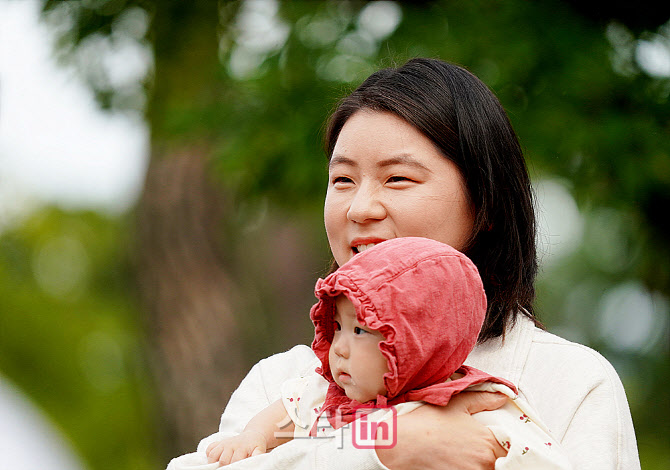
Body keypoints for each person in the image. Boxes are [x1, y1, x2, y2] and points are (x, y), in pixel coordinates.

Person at [170, 58, 640, 469]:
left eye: (397, 178)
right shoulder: (284, 381)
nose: (360, 209)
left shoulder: (570, 381)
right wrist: (386, 446)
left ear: (485, 204)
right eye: (343, 179)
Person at [193, 238, 570, 469]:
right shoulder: (328, 399)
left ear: (418, 342)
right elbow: (292, 421)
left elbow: (535, 458)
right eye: (337, 327)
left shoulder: (478, 404)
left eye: (360, 330)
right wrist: (254, 436)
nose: (338, 348)